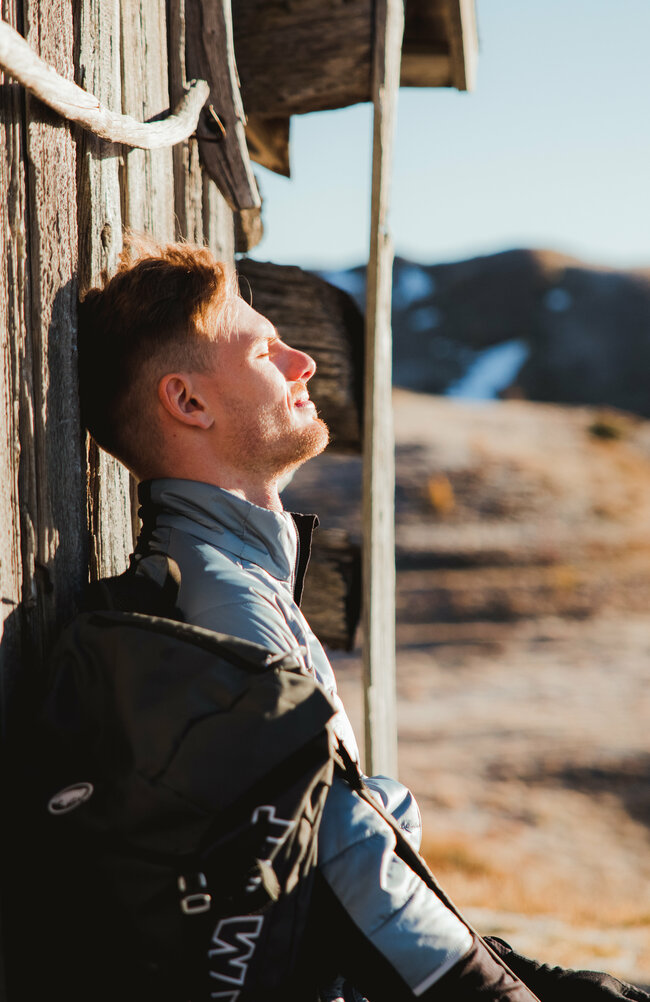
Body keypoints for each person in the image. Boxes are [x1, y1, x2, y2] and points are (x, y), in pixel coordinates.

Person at [77, 237, 649, 1002]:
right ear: (188, 403)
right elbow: (341, 857)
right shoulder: (223, 605)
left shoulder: (234, 576)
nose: (303, 363)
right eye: (265, 352)